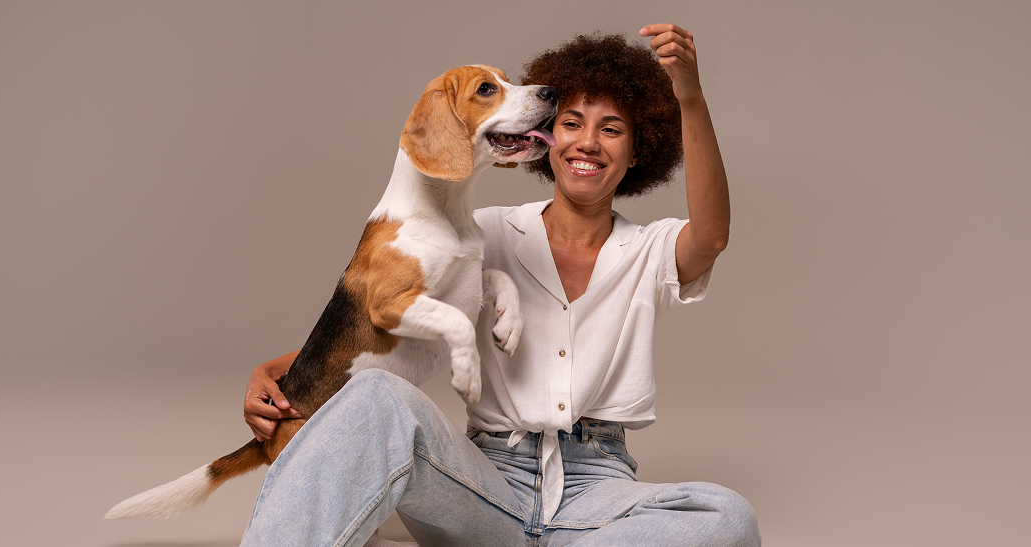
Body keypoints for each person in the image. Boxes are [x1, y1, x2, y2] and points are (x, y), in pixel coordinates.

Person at [239, 23, 761, 547]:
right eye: (572, 123)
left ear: (638, 149)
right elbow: (375, 321)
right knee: (379, 394)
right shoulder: (480, 233)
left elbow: (711, 237)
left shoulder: (649, 250)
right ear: (544, 138)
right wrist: (274, 372)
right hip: (481, 484)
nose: (586, 141)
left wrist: (689, 96)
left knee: (726, 516)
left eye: (611, 129)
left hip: (596, 490)